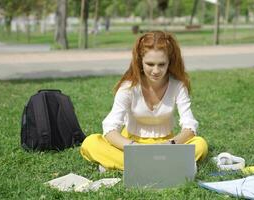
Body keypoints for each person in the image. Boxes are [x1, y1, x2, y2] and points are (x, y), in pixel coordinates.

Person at [80, 30, 208, 171]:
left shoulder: (178, 86)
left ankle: (129, 165)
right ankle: (166, 166)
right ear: (140, 62)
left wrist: (170, 145)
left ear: (169, 62)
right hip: (130, 145)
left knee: (200, 144)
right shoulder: (128, 87)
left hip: (166, 145)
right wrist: (135, 147)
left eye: (161, 64)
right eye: (150, 64)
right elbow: (110, 128)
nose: (156, 70)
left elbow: (190, 126)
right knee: (90, 143)